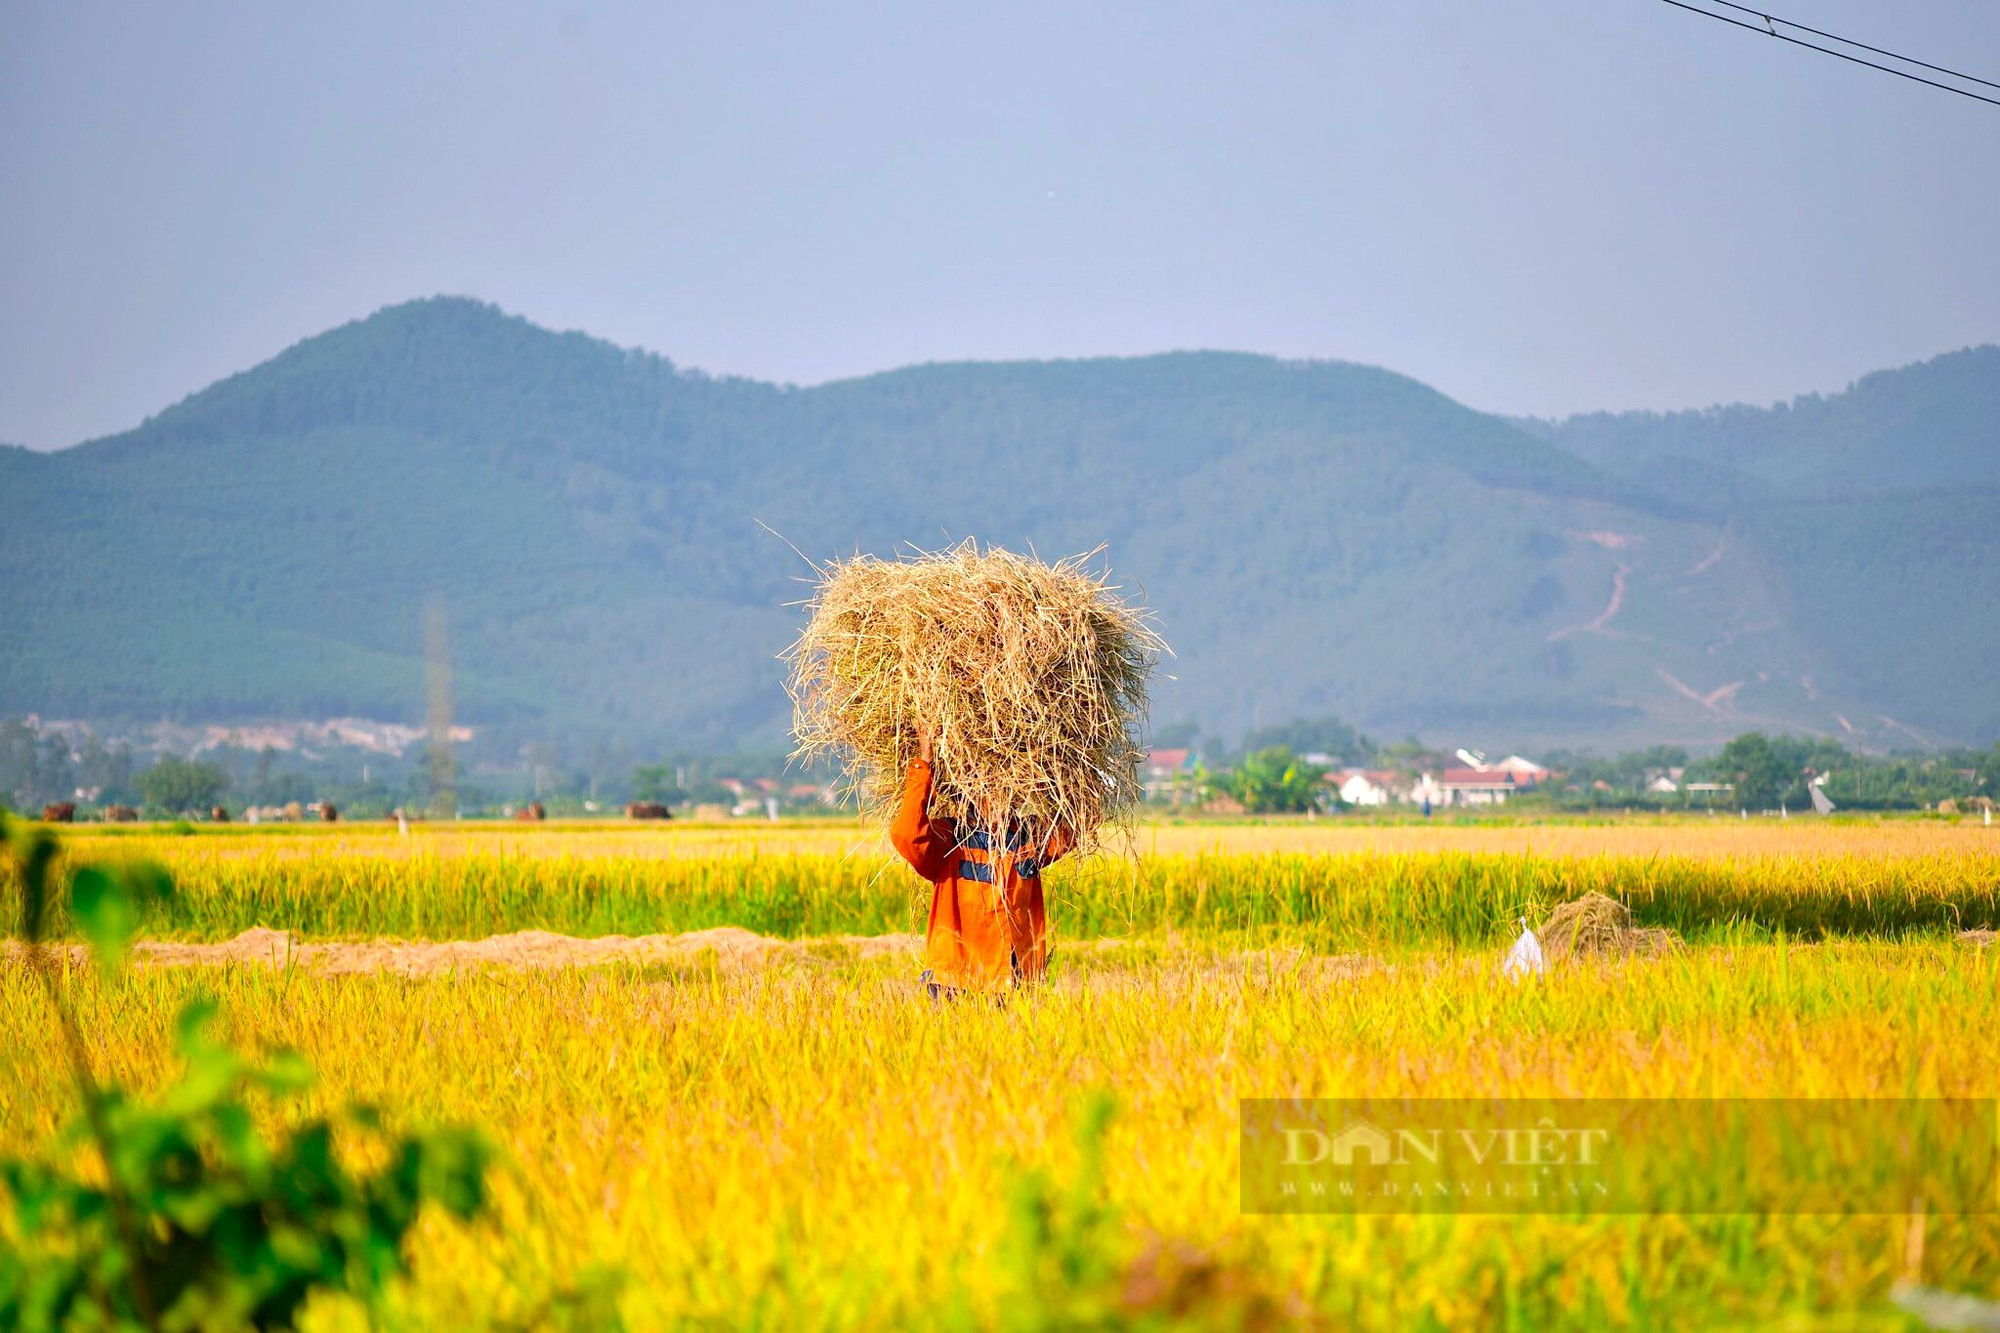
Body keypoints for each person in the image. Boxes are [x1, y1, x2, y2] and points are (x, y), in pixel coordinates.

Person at [890, 727, 1073, 999]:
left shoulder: (1027, 838)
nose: (1000, 795)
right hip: (953, 984)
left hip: (1014, 985)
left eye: (1007, 785)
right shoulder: (950, 837)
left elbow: (1073, 827)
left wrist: (1063, 763)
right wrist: (924, 762)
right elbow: (907, 834)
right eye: (990, 786)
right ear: (970, 791)